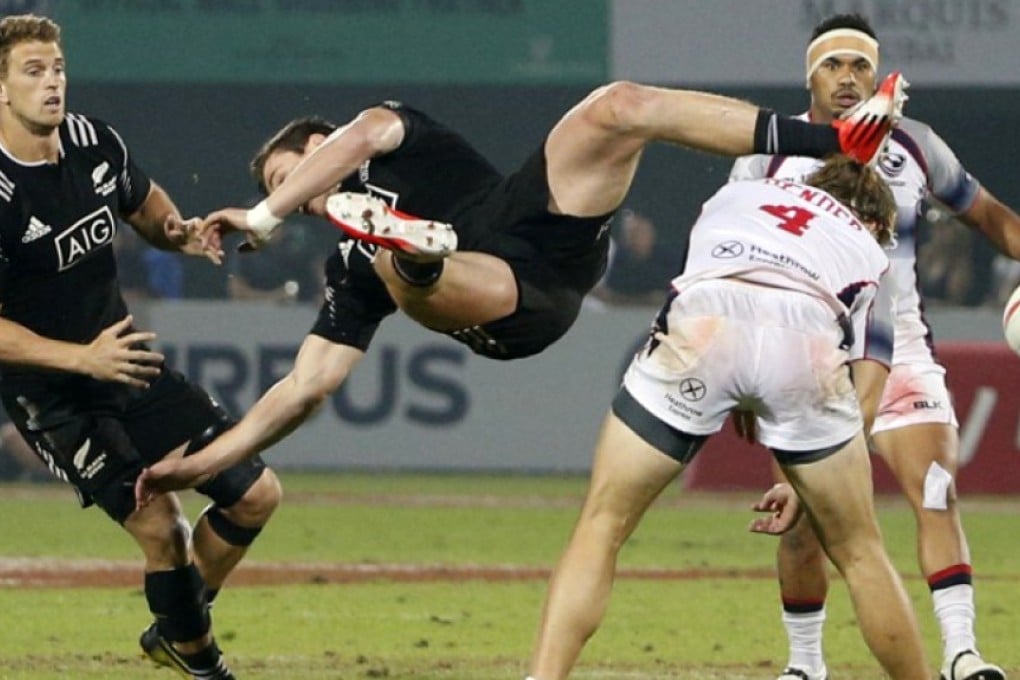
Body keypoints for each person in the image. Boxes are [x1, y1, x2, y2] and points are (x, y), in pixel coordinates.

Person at [132, 69, 905, 498]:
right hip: (499, 304)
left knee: (619, 105)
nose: (298, 197)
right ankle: (418, 259)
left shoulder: (388, 128)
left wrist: (264, 213)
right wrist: (205, 464)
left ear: (315, 146)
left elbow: (364, 135)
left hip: (538, 228)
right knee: (385, 266)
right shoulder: (345, 266)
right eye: (285, 191)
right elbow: (305, 387)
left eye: (293, 175)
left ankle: (836, 139)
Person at [527, 155, 930, 680]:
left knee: (601, 525)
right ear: (876, 222)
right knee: (859, 551)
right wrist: (812, 470)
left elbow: (712, 283)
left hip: (706, 321)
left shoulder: (737, 195)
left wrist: (739, 391)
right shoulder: (871, 251)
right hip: (805, 336)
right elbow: (864, 372)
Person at [728, 13, 1017, 680]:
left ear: (879, 76)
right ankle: (805, 666)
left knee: (938, 491)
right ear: (811, 77)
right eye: (834, 65)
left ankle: (962, 655)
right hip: (804, 358)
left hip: (904, 351)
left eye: (861, 64)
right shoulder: (764, 158)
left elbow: (990, 215)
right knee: (805, 515)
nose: (848, 77)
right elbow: (731, 257)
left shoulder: (915, 145)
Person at [0, 15, 283, 680]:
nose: (52, 83)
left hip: (124, 366)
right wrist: (79, 359)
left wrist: (177, 232)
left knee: (257, 494)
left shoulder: (92, 141)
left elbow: (140, 198)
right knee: (163, 530)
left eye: (58, 68)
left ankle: (176, 627)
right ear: (0, 88)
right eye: (33, 71)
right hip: (54, 394)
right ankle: (203, 663)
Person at [589, 209, 676, 306]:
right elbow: (609, 294)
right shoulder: (617, 260)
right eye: (633, 234)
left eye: (642, 232)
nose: (637, 238)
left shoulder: (666, 259)